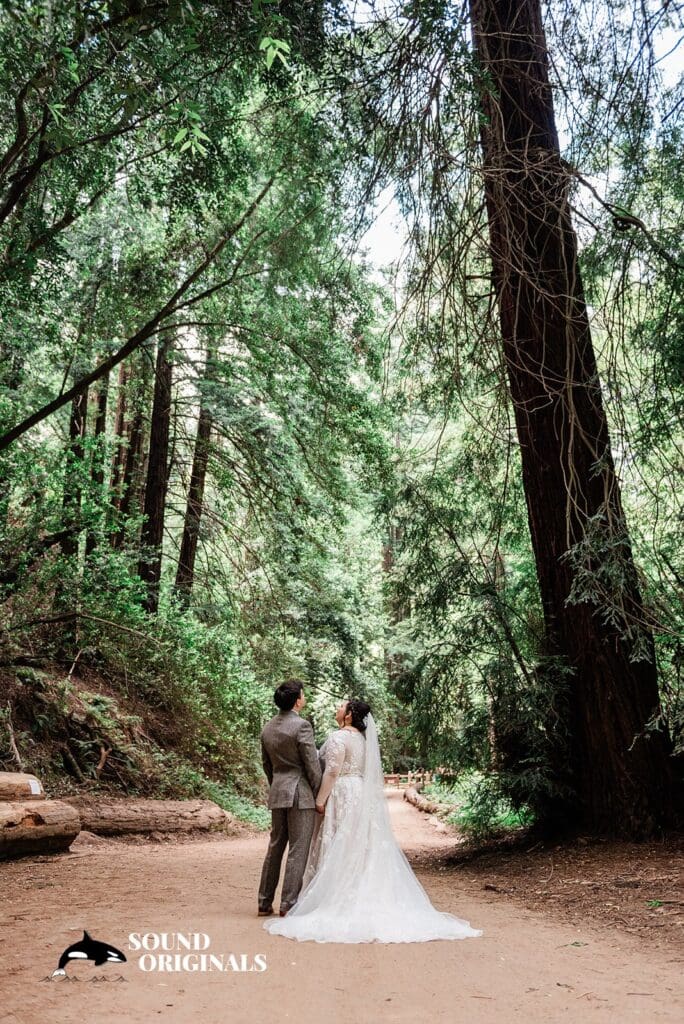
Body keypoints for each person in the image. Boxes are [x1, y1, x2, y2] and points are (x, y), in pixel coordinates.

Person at [263, 698, 483, 943]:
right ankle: (357, 891)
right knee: (356, 842)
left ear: (348, 715)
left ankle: (333, 896)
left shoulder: (338, 738)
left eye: (341, 706)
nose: (338, 708)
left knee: (336, 841)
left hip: (341, 792)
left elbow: (332, 771)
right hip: (358, 792)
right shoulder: (362, 740)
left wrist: (320, 799)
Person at [257, 680, 322, 918]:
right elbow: (311, 764)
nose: (304, 698)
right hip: (300, 793)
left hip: (278, 791)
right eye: (303, 695)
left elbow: (266, 765)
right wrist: (319, 792)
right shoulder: (302, 726)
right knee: (298, 848)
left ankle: (264, 902)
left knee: (275, 847)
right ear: (297, 700)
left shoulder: (267, 727)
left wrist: (276, 784)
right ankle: (288, 903)